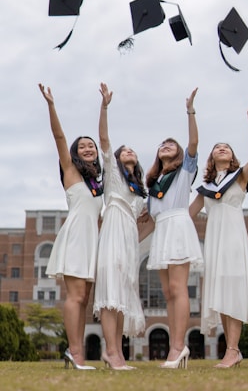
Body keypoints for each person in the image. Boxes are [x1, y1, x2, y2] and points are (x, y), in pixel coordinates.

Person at [189, 100, 248, 368]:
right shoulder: (206, 186)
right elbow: (188, 215)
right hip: (214, 240)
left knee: (233, 287)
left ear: (232, 157)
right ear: (212, 157)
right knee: (220, 291)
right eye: (217, 147)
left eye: (227, 148)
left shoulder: (241, 177)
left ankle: (232, 350)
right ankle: (232, 351)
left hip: (233, 236)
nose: (222, 148)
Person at [38, 84, 103, 370]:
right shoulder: (71, 170)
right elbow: (59, 136)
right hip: (77, 236)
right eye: (83, 146)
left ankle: (75, 354)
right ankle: (75, 353)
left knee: (84, 298)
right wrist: (52, 105)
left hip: (93, 239)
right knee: (75, 296)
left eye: (92, 146)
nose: (88, 148)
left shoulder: (99, 183)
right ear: (76, 153)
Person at [145, 88, 203, 369]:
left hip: (178, 227)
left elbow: (193, 142)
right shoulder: (153, 185)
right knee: (168, 293)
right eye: (162, 144)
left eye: (172, 144)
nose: (166, 145)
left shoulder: (184, 173)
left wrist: (190, 111)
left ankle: (179, 348)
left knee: (179, 289)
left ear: (179, 153)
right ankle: (175, 347)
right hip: (162, 233)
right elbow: (149, 218)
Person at [93, 82, 147, 370]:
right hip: (113, 226)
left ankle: (119, 355)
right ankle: (110, 351)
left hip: (129, 235)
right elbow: (104, 138)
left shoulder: (139, 188)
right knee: (110, 291)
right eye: (124, 150)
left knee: (123, 292)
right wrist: (105, 106)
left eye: (132, 151)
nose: (128, 152)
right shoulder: (113, 174)